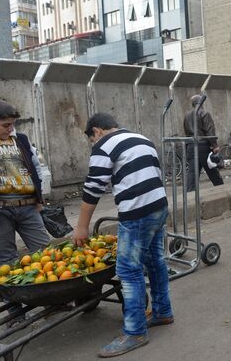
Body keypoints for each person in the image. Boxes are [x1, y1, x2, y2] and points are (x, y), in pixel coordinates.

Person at [72, 113, 173, 357]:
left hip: (137, 212)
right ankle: (162, 311)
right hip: (158, 207)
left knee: (128, 270)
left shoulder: (103, 145)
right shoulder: (141, 138)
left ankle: (135, 331)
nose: (92, 146)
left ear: (96, 131)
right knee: (155, 261)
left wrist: (82, 226)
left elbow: (93, 187)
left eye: (91, 140)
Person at [0, 100, 50, 266]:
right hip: (1, 211)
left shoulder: (21, 139)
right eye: (5, 125)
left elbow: (35, 167)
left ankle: (48, 291)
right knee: (6, 262)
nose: (10, 128)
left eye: (12, 124)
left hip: (28, 207)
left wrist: (39, 198)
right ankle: (11, 293)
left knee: (45, 252)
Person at [183, 95, 223, 192]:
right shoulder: (204, 113)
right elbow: (210, 131)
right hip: (203, 146)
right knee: (212, 171)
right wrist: (215, 146)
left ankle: (190, 196)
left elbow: (186, 131)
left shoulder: (187, 115)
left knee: (192, 174)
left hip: (191, 146)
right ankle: (222, 190)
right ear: (201, 102)